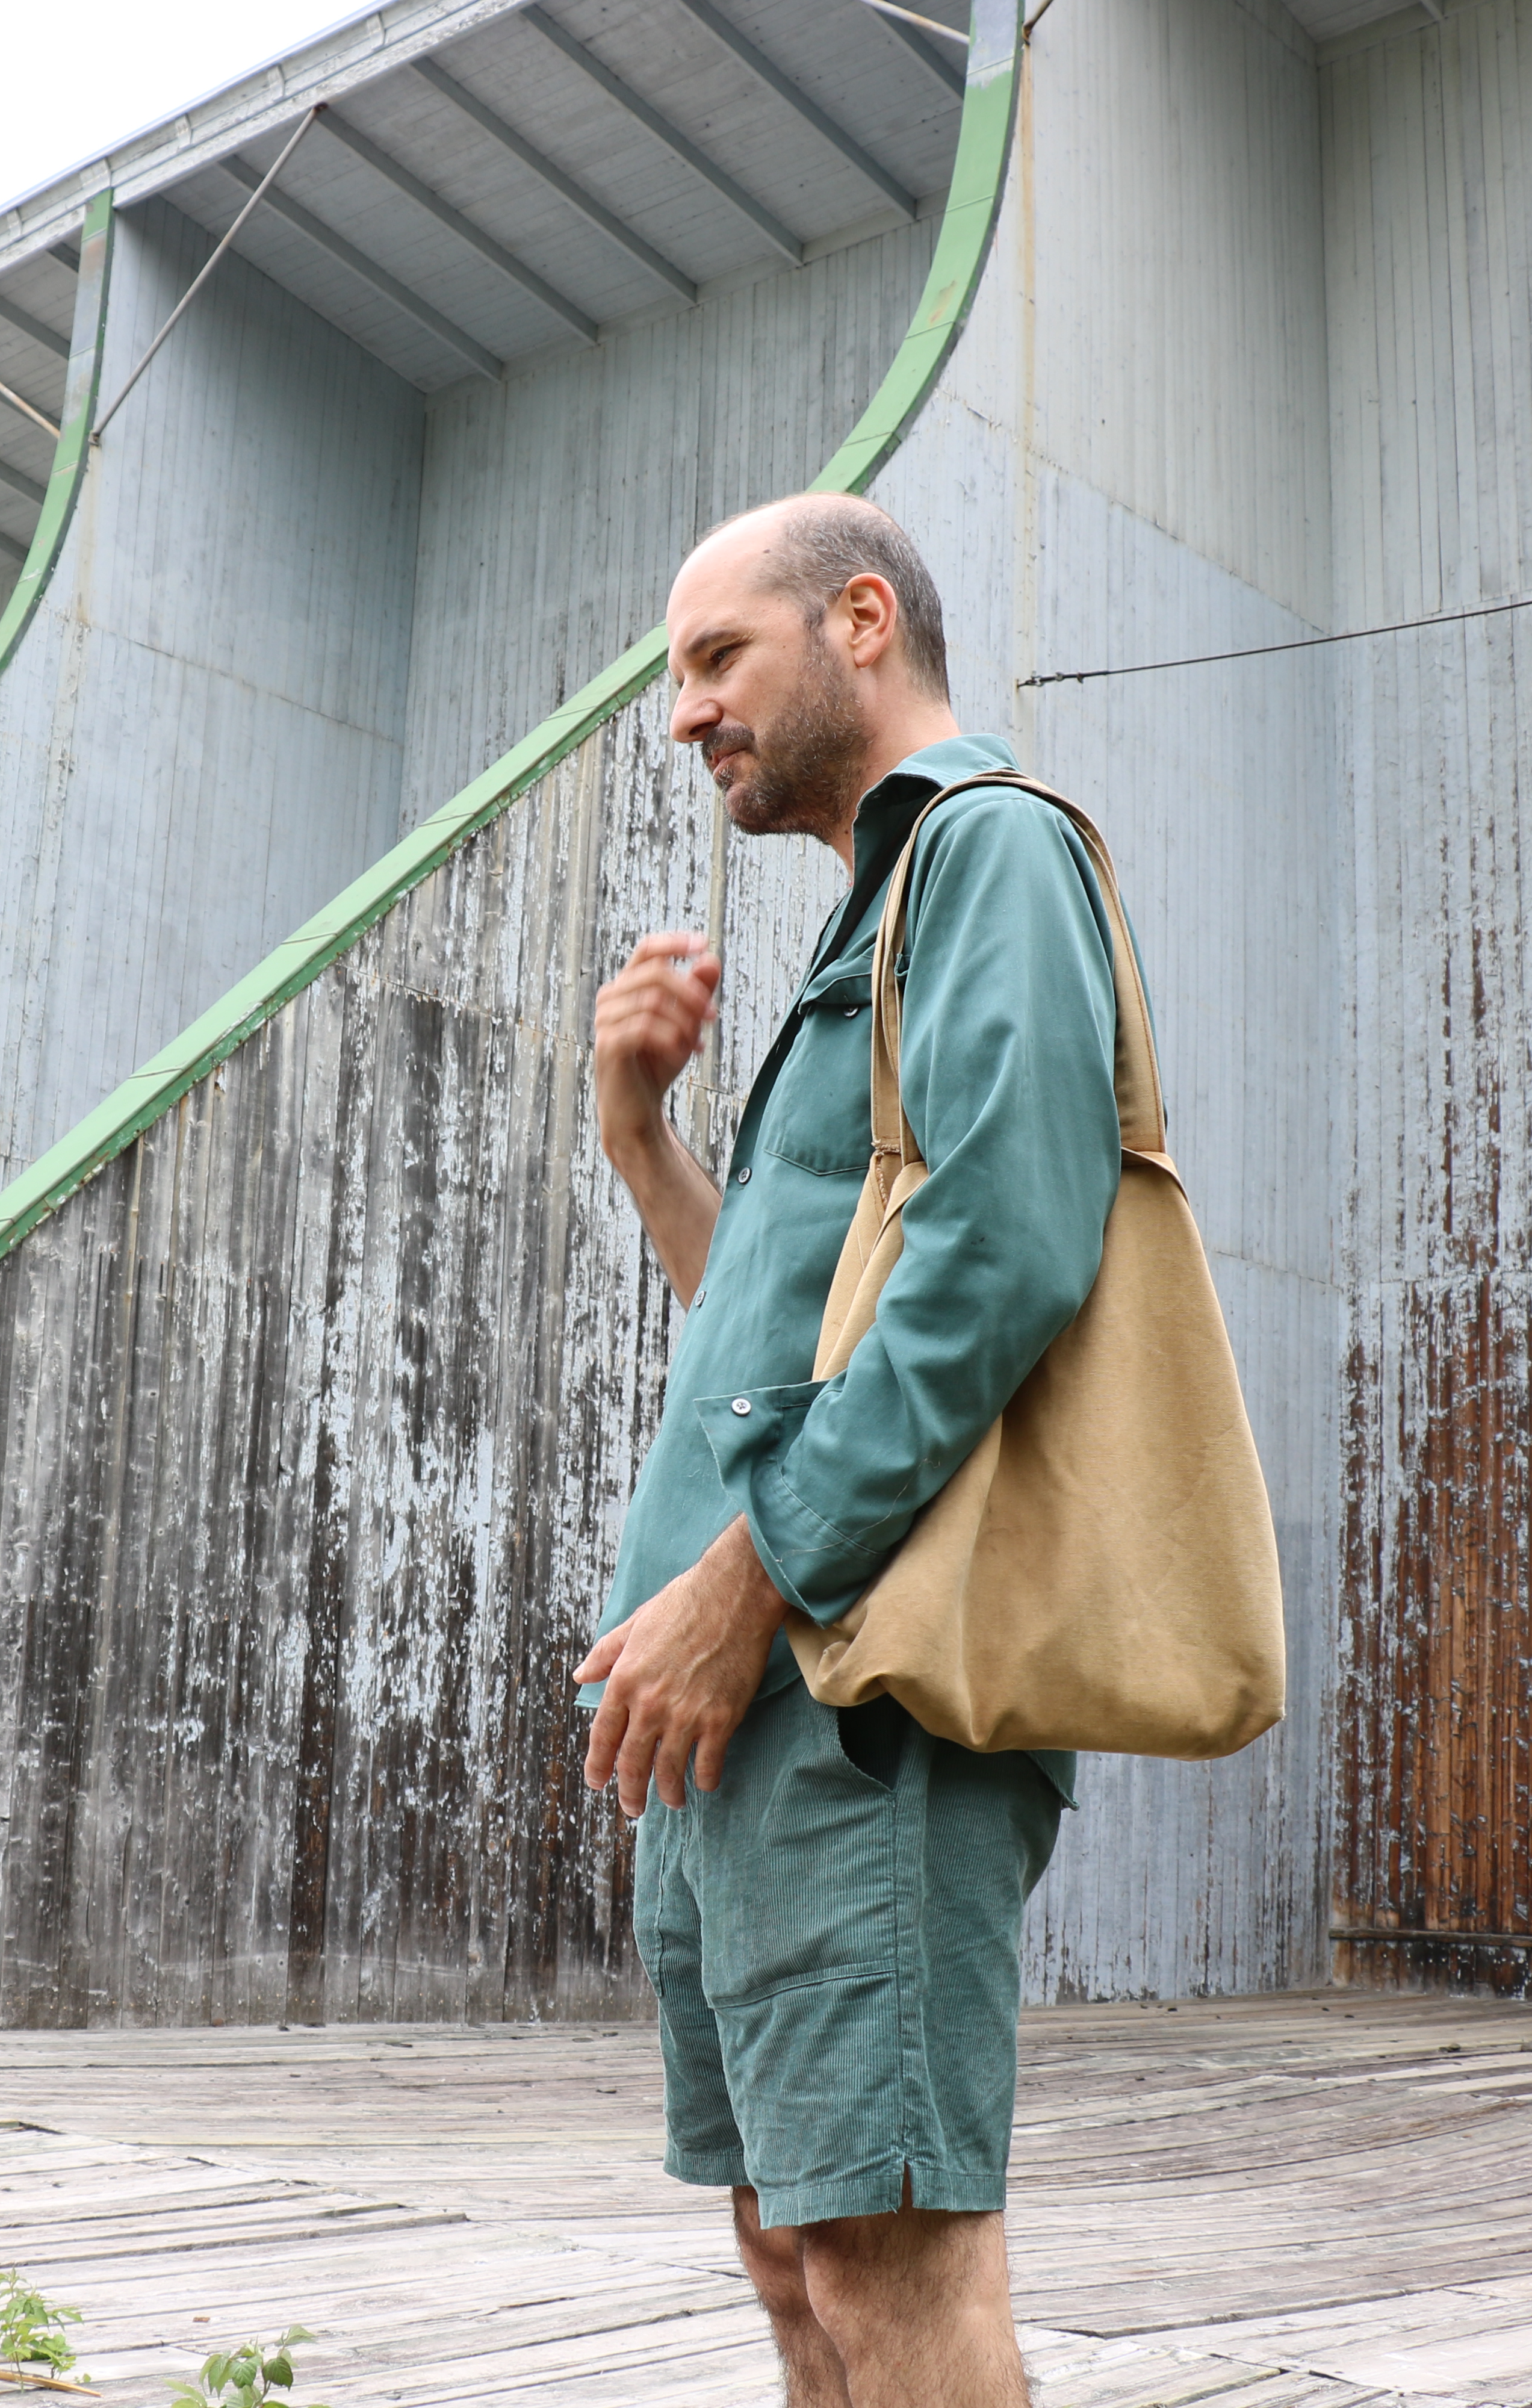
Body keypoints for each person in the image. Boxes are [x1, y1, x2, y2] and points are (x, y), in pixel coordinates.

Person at [574, 494, 1121, 2407]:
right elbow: (779, 1338)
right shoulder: (870, 919)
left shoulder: (989, 855)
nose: (683, 714)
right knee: (791, 2245)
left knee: (888, 2261)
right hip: (744, 1711)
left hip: (849, 1687)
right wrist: (644, 1137)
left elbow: (1010, 1249)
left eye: (716, 658)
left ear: (860, 622)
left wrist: (750, 1583)